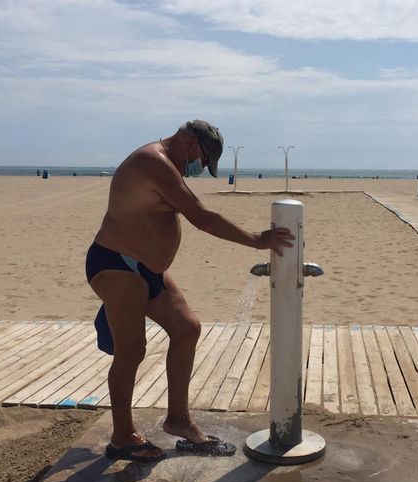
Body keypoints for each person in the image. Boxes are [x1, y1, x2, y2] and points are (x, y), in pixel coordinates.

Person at [85, 120, 294, 462]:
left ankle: (178, 420)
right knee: (131, 350)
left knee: (187, 328)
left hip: (148, 270)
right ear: (191, 144)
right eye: (203, 162)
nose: (198, 169)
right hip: (117, 263)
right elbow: (202, 218)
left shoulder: (168, 165)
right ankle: (122, 436)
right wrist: (257, 240)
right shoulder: (153, 161)